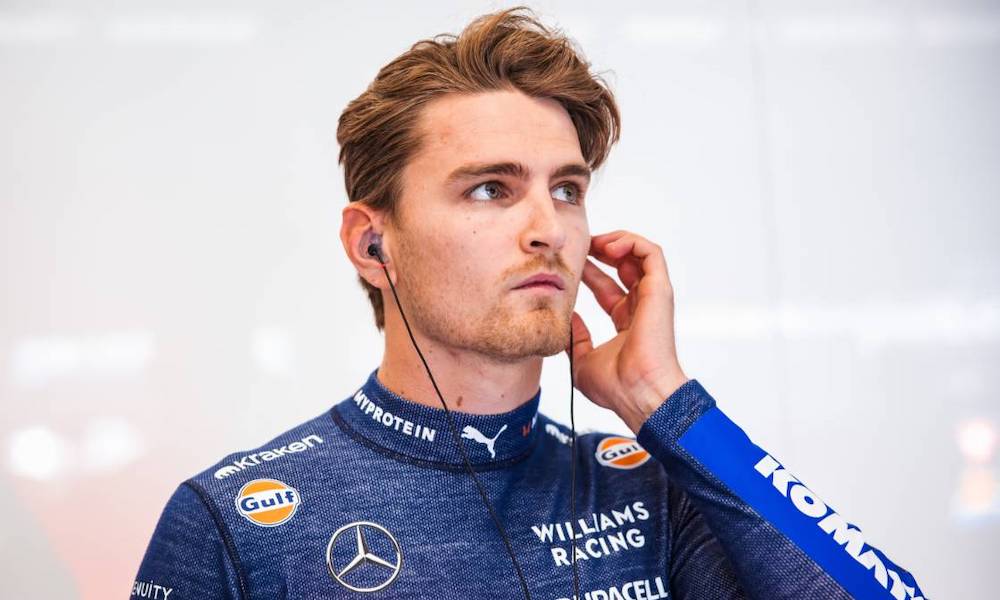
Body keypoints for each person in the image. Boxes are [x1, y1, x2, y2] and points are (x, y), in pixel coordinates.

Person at [131, 7, 927, 599]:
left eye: (568, 189)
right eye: (490, 188)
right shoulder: (232, 524)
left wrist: (665, 403)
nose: (549, 228)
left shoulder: (649, 491)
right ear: (372, 245)